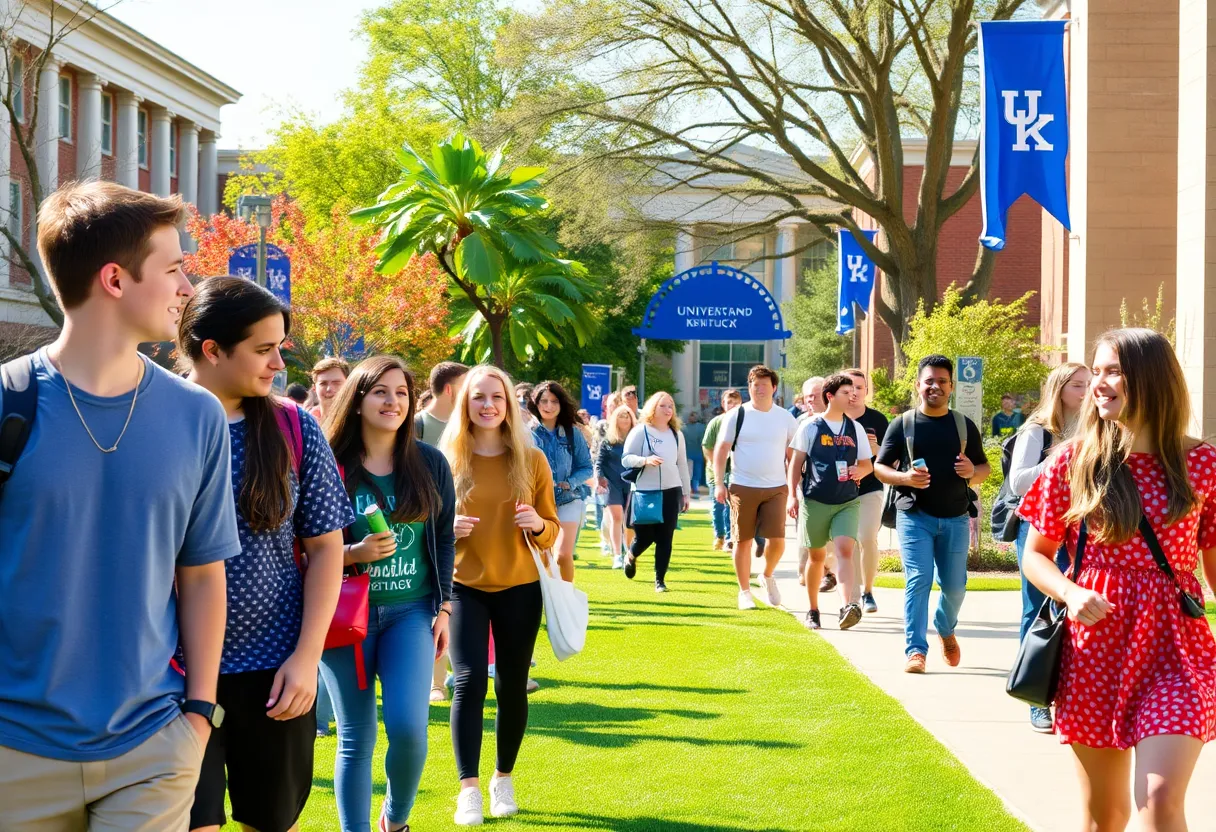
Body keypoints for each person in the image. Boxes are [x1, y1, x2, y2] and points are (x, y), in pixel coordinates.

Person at [0, 182, 237, 830]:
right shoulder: (7, 403)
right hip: (12, 751)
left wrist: (199, 714)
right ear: (114, 279)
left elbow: (202, 574)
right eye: (173, 269)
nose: (187, 287)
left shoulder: (198, 416)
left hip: (153, 749)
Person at [1019, 328, 1216, 832]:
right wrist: (1070, 591)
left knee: (1160, 800)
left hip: (1176, 649)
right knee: (1104, 816)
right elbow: (1036, 556)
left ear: (1151, 378)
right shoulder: (1074, 461)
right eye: (1097, 372)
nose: (1098, 383)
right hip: (1095, 648)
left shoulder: (1203, 465)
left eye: (1113, 372)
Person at [178, 276, 353, 832]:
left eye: (280, 347)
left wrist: (305, 659)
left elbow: (326, 548)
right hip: (170, 673)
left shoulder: (294, 427)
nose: (279, 363)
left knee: (270, 822)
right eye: (264, 349)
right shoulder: (155, 421)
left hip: (276, 671)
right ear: (212, 350)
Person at [321, 355, 456, 832]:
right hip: (343, 618)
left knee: (409, 729)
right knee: (356, 737)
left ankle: (395, 820)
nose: (392, 401)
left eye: (401, 392)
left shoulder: (430, 463)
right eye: (380, 391)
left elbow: (443, 539)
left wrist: (444, 606)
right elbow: (301, 545)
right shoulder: (329, 463)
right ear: (357, 399)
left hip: (410, 614)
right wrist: (353, 552)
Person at [439, 365, 560, 826]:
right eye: (478, 397)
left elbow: (551, 532)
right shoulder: (446, 459)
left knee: (511, 685)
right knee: (469, 682)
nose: (487, 405)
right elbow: (424, 528)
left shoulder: (532, 460)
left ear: (509, 404)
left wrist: (539, 524)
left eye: (496, 397)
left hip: (521, 587)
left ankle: (502, 778)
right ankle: (468, 789)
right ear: (464, 403)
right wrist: (446, 530)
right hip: (463, 587)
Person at [874, 355, 990, 674]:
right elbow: (880, 467)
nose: (934, 386)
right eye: (929, 381)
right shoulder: (903, 424)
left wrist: (972, 471)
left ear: (951, 387)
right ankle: (915, 651)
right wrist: (904, 478)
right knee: (918, 579)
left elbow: (984, 469)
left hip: (955, 517)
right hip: (915, 516)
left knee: (955, 587)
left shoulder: (963, 425)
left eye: (941, 381)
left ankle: (944, 627)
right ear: (918, 385)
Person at [1007, 362, 1091, 733]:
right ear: (1059, 390)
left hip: (1082, 525)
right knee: (1038, 609)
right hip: (1040, 525)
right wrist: (1058, 459)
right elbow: (1018, 482)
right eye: (1078, 386)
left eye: (1088, 385)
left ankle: (1071, 691)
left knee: (1076, 606)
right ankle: (1035, 696)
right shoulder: (1037, 431)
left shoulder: (1096, 429)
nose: (1086, 392)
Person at [787, 374, 874, 631]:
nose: (852, 396)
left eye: (853, 392)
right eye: (846, 392)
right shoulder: (810, 426)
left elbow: (867, 465)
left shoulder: (855, 428)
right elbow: (795, 464)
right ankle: (813, 610)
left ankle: (848, 606)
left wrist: (860, 471)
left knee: (845, 550)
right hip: (815, 500)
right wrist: (792, 495)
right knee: (816, 557)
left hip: (847, 501)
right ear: (830, 396)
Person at [713, 366, 799, 610]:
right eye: (754, 384)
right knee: (743, 541)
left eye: (764, 384)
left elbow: (793, 455)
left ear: (774, 388)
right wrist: (719, 483)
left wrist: (795, 489)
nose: (759, 389)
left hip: (776, 487)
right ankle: (744, 592)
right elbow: (721, 450)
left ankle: (767, 574)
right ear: (749, 387)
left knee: (778, 541)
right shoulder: (737, 415)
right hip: (742, 486)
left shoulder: (785, 417)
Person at [621, 391, 692, 591]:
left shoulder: (676, 434)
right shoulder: (640, 431)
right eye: (663, 405)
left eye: (671, 406)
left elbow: (682, 465)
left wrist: (686, 493)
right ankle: (631, 555)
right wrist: (645, 460)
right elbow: (626, 459)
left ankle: (660, 580)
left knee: (665, 537)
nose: (668, 410)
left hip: (671, 490)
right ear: (653, 408)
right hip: (645, 491)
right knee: (645, 537)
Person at [528, 381, 593, 583]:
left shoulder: (573, 434)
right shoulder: (527, 434)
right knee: (542, 556)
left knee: (563, 555)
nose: (549, 406)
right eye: (544, 401)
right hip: (538, 502)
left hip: (568, 499)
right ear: (536, 404)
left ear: (561, 404)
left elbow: (586, 467)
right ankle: (547, 596)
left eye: (554, 401)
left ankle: (567, 596)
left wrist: (570, 482)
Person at [840, 368, 889, 612]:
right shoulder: (832, 418)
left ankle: (868, 592)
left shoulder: (877, 420)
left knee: (867, 537)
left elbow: (892, 459)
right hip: (838, 490)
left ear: (866, 391)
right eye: (849, 388)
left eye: (859, 387)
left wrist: (877, 449)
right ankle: (853, 595)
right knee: (845, 543)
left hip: (870, 488)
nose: (854, 393)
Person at [597, 403, 636, 569]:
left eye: (627, 416)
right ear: (615, 419)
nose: (624, 419)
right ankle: (617, 556)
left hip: (631, 484)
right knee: (616, 518)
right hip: (612, 483)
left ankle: (629, 552)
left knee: (628, 521)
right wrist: (599, 477)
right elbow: (599, 462)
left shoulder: (636, 440)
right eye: (621, 416)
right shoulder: (608, 441)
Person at [703, 389, 743, 551]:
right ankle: (719, 534)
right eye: (729, 402)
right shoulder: (716, 423)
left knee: (731, 505)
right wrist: (716, 464)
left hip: (735, 471)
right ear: (723, 404)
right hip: (716, 472)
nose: (732, 405)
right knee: (718, 504)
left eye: (735, 402)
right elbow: (707, 446)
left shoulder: (744, 422)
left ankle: (729, 537)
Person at [416, 361, 469, 446]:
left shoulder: (469, 424)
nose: (470, 393)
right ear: (448, 390)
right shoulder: (415, 426)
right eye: (465, 387)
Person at [310, 356, 351, 423]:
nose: (329, 389)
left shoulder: (360, 421)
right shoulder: (304, 422)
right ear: (314, 388)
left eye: (336, 383)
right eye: (323, 383)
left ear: (349, 385)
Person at [682, 410, 707, 495]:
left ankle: (689, 488)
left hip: (688, 454)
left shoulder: (683, 428)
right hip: (697, 453)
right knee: (696, 472)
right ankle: (694, 488)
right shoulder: (702, 427)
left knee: (689, 472)